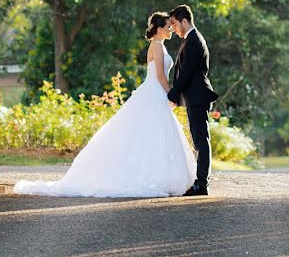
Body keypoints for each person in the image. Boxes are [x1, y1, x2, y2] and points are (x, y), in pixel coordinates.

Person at [13, 12, 196, 197]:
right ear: (158, 29)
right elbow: (160, 76)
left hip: (154, 93)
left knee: (153, 135)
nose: (171, 29)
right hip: (154, 91)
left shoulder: (159, 46)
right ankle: (150, 177)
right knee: (150, 134)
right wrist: (172, 94)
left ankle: (159, 175)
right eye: (167, 26)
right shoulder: (156, 46)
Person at [167, 4, 220, 196]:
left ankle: (202, 184)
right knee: (198, 139)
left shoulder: (195, 40)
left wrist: (173, 94)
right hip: (194, 97)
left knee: (201, 139)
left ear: (184, 21)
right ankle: (201, 182)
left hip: (198, 96)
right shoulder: (190, 39)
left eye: (174, 23)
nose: (173, 28)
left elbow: (187, 72)